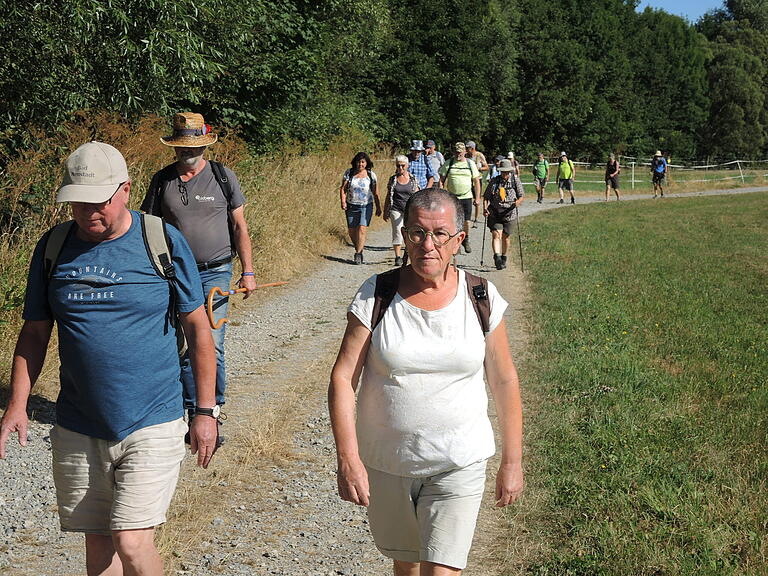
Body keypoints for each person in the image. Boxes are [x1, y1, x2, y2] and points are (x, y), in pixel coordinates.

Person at [0, 141, 218, 576]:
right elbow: (35, 332)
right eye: (77, 203)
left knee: (132, 541)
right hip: (79, 423)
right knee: (99, 551)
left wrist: (206, 410)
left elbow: (198, 329)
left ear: (125, 189)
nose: (87, 212)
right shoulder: (53, 247)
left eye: (97, 201)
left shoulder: (160, 240)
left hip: (153, 417)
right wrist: (18, 404)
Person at [328, 187, 524, 576]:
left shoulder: (481, 295)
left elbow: (504, 380)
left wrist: (512, 461)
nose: (427, 245)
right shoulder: (378, 293)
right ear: (404, 236)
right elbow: (343, 376)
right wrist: (347, 459)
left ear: (458, 240)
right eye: (417, 233)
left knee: (441, 569)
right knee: (407, 563)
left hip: (458, 459)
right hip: (388, 462)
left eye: (439, 235)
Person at [140, 112, 256, 440]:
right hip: (173, 273)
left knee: (210, 343)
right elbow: (148, 227)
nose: (186, 153)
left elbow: (239, 227)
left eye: (192, 147)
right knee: (179, 345)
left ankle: (210, 412)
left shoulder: (222, 176)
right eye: (180, 147)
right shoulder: (161, 180)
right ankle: (190, 408)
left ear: (203, 145)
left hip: (216, 272)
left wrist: (248, 271)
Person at [339, 151, 382, 264]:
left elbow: (375, 192)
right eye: (358, 162)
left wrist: (378, 207)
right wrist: (343, 201)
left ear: (367, 163)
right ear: (355, 162)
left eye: (363, 162)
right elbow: (343, 189)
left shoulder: (371, 175)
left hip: (366, 205)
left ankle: (358, 254)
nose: (360, 164)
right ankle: (359, 247)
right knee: (352, 230)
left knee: (362, 228)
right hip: (351, 205)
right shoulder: (349, 173)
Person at [438, 142, 481, 254]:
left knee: (466, 221)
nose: (458, 154)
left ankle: (465, 239)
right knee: (453, 221)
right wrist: (442, 194)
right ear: (454, 152)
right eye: (456, 152)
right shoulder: (449, 163)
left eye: (460, 152)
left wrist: (477, 198)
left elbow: (476, 182)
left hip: (466, 197)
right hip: (452, 197)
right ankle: (454, 243)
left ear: (465, 152)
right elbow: (441, 180)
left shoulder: (470, 164)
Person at [484, 159, 524, 270]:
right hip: (495, 213)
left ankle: (504, 257)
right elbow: (486, 196)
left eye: (507, 172)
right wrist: (485, 208)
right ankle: (497, 258)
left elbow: (521, 196)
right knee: (496, 235)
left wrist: (517, 203)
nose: (505, 174)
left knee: (506, 237)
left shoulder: (515, 181)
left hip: (509, 214)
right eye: (503, 172)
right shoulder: (494, 181)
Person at [383, 155, 419, 266]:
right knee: (397, 231)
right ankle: (397, 256)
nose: (400, 168)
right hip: (396, 208)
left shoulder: (412, 179)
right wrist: (385, 210)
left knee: (410, 232)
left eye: (403, 166)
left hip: (409, 210)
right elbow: (389, 195)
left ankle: (408, 253)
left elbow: (417, 194)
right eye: (398, 166)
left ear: (407, 166)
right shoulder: (393, 179)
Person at [465, 141, 488, 222]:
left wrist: (478, 168)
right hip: (468, 179)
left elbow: (486, 167)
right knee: (467, 198)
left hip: (477, 179)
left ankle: (476, 218)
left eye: (468, 148)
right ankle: (466, 217)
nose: (466, 149)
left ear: (472, 148)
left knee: (477, 198)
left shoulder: (479, 155)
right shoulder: (466, 156)